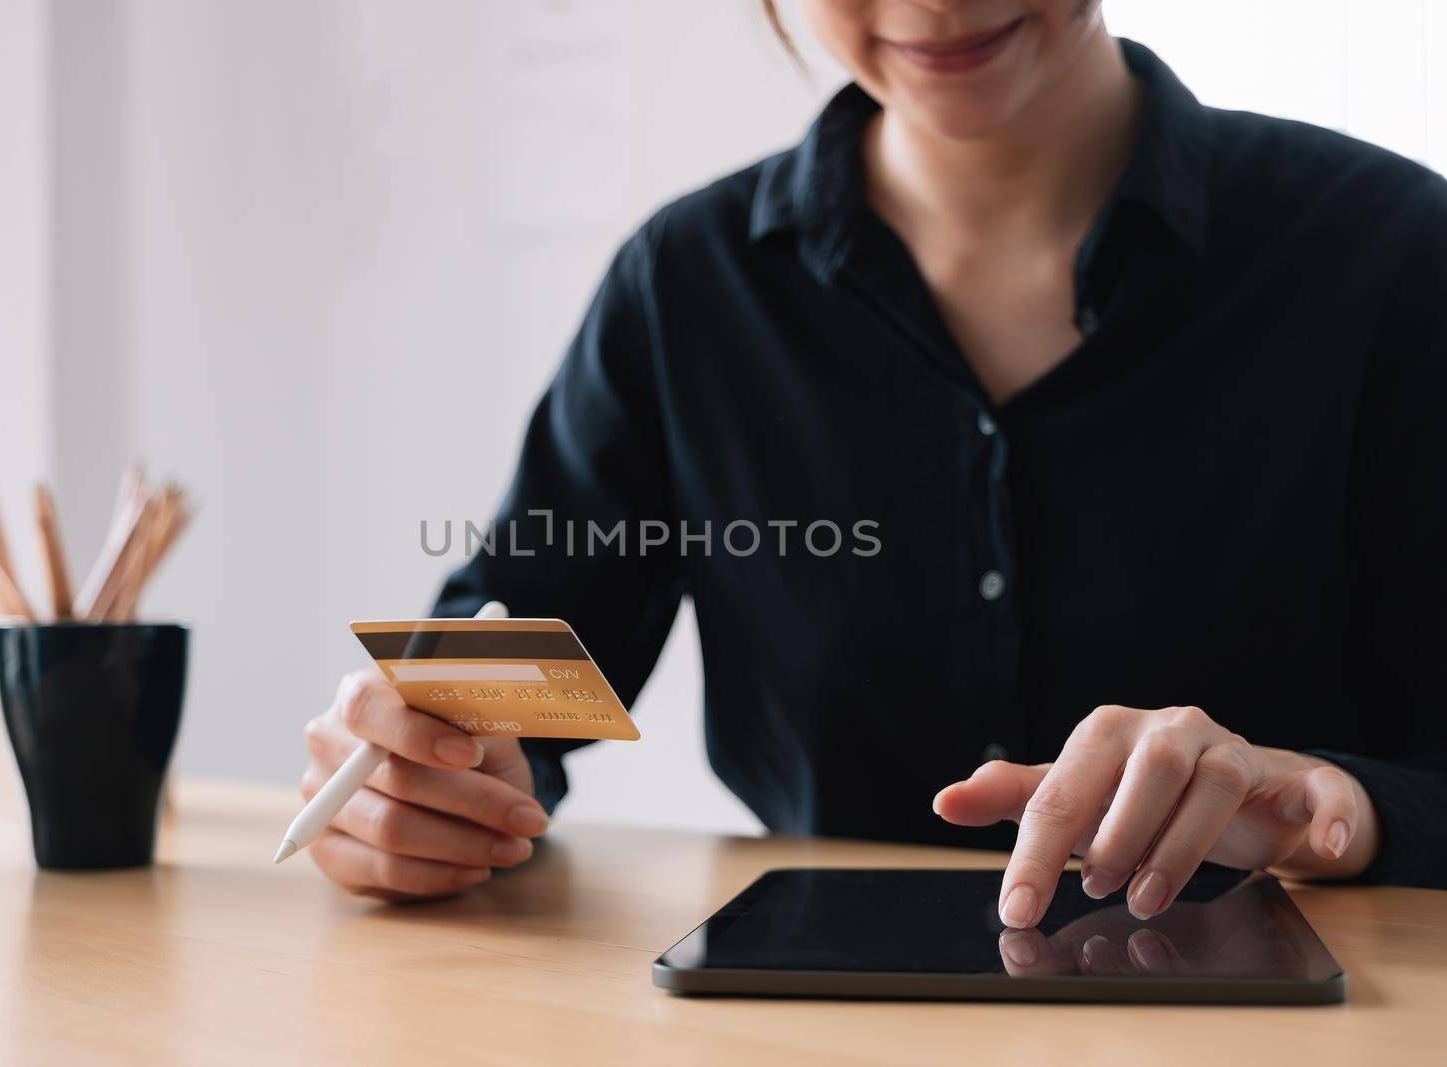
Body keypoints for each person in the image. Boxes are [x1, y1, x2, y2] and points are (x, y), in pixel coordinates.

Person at [301, 0, 1447, 932]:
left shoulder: (1391, 255)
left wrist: (1324, 808)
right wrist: (430, 762)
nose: (932, 4)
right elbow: (514, 654)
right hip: (807, 1015)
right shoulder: (688, 285)